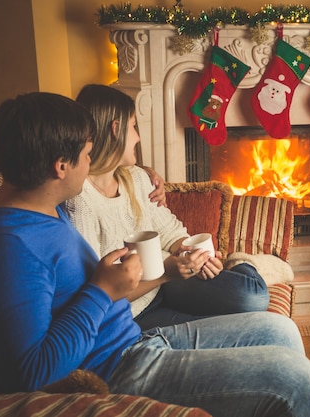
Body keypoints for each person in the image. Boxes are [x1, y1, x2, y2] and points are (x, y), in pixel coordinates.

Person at [0, 91, 310, 416]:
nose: (91, 162)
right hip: (115, 369)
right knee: (295, 379)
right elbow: (33, 372)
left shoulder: (40, 204)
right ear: (60, 166)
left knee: (280, 329)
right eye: (87, 154)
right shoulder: (8, 248)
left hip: (133, 341)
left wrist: (143, 174)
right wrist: (102, 290)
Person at [64, 84, 269, 330]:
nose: (138, 137)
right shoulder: (80, 201)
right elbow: (97, 296)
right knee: (245, 322)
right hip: (133, 312)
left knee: (253, 295)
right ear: (116, 129)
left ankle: (239, 262)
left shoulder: (137, 178)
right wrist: (167, 271)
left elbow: (170, 230)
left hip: (169, 282)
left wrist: (195, 256)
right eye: (133, 126)